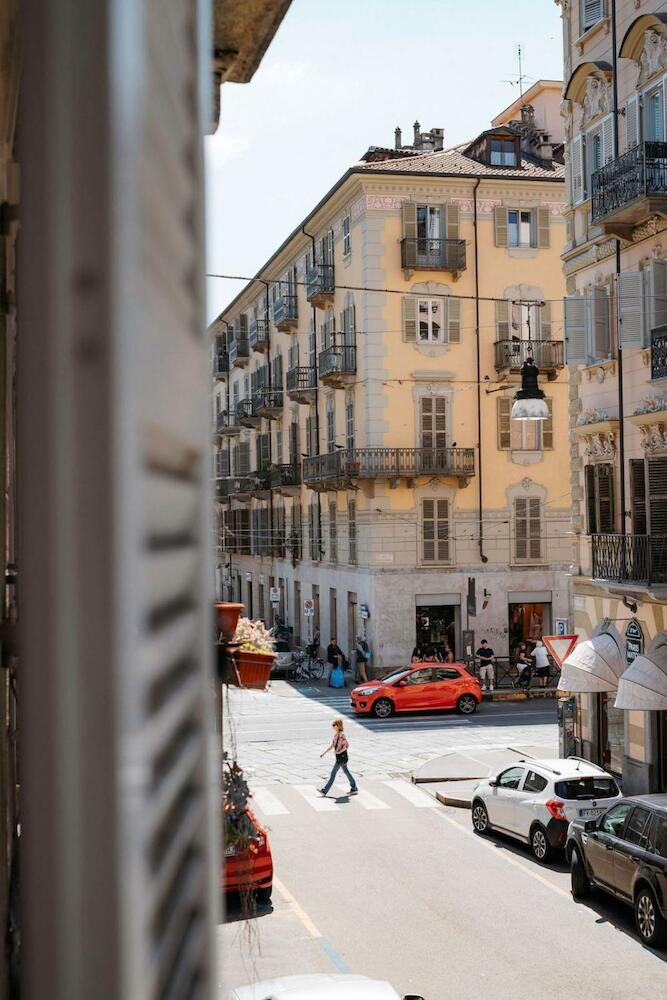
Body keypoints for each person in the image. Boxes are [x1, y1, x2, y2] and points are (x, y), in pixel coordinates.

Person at [319, 719, 358, 797]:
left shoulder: (341, 735)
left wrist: (338, 752)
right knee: (346, 771)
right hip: (340, 757)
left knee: (333, 773)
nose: (333, 726)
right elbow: (333, 745)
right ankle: (354, 788)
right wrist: (324, 753)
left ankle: (325, 790)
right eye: (333, 725)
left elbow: (346, 746)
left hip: (341, 757)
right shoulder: (336, 735)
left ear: (338, 726)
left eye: (334, 725)